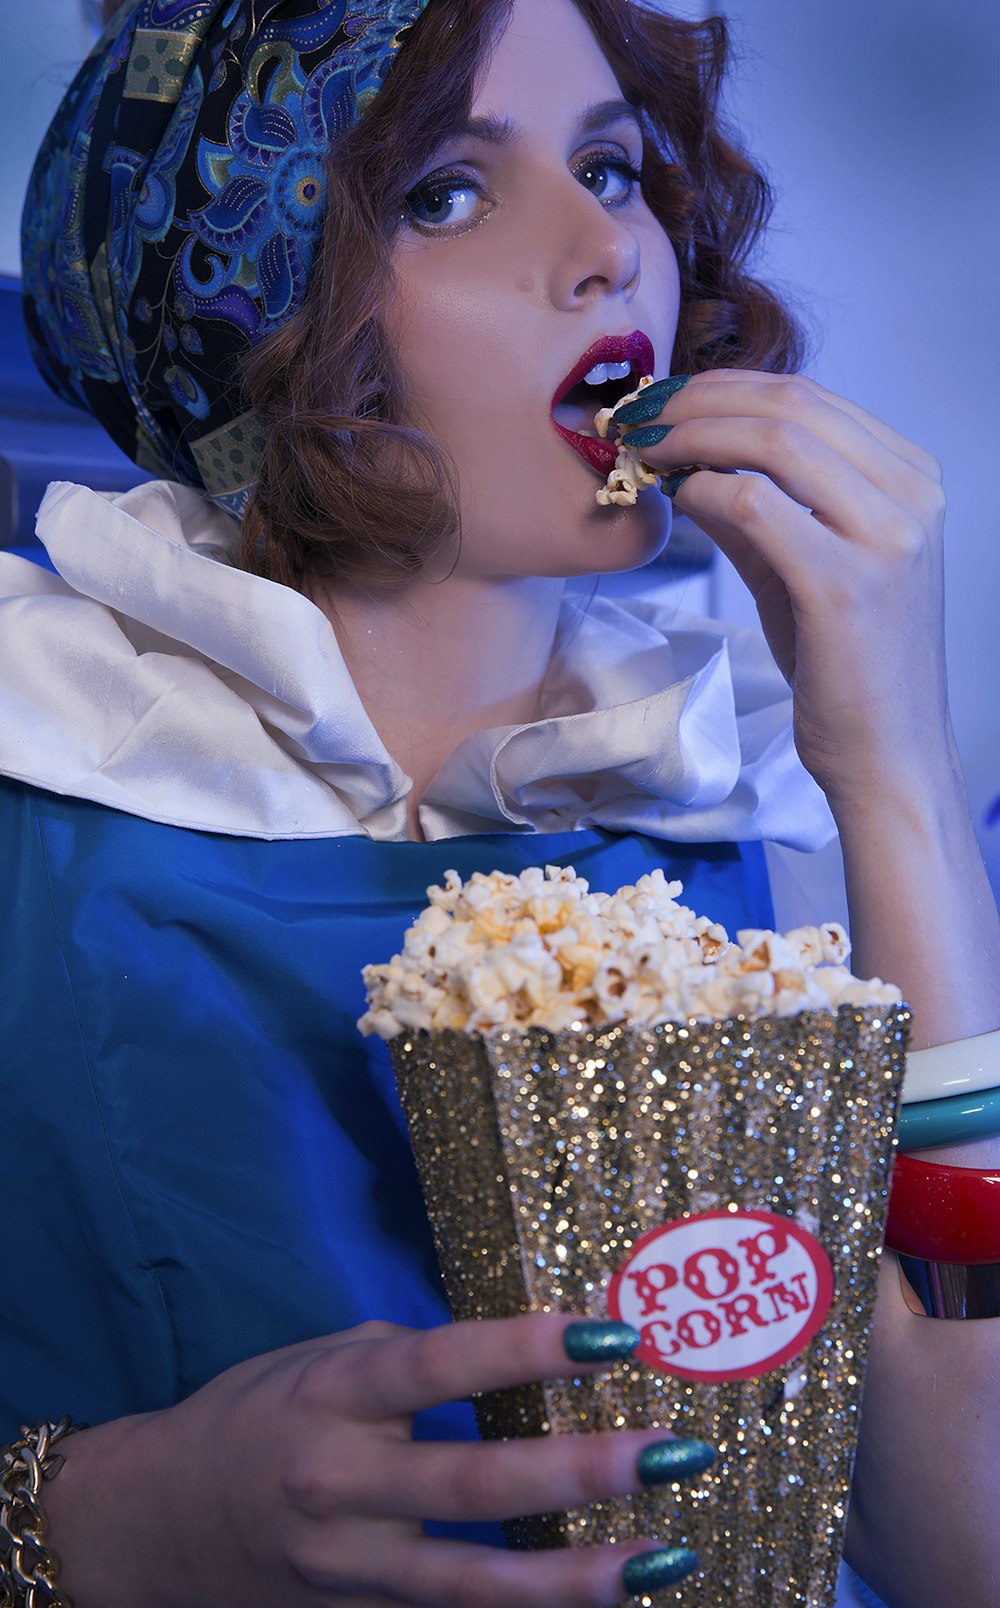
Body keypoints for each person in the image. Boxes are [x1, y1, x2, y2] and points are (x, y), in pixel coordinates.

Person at [2, 0, 998, 1605]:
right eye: (447, 193)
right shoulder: (33, 783)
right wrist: (102, 1520)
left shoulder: (766, 816)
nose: (608, 249)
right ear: (239, 301)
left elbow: (963, 1554)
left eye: (613, 165)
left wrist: (894, 771)